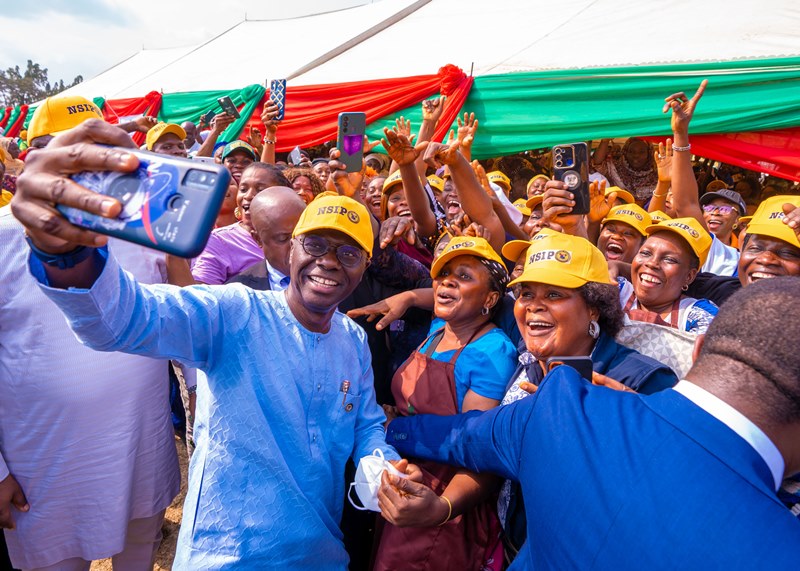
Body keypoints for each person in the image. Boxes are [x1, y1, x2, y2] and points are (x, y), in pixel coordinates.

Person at [11, 121, 415, 568]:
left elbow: (365, 425)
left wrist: (383, 468)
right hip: (227, 555)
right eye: (315, 244)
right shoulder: (235, 313)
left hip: (320, 551)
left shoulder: (352, 338)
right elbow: (122, 319)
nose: (328, 262)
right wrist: (66, 255)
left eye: (348, 254)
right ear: (289, 250)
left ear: (362, 270)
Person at [384, 277, 800, 569]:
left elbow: (459, 438)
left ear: (700, 348)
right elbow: (466, 434)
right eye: (525, 293)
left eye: (554, 294)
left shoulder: (568, 408)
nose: (533, 306)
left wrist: (392, 431)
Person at [0, 99, 179, 570]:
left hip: (139, 442)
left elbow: (181, 315)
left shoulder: (142, 226)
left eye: (90, 148)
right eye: (54, 147)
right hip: (41, 461)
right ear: (27, 159)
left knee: (139, 548)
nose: (72, 161)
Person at [372, 236, 517, 571]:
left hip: (443, 504)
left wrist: (442, 506)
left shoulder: (491, 352)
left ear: (491, 298)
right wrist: (408, 297)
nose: (447, 281)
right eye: (443, 273)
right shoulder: (440, 328)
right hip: (403, 482)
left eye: (465, 276)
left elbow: (479, 451)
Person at [663, 80, 739, 276]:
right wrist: (680, 133)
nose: (715, 213)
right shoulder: (707, 250)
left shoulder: (741, 259)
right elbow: (685, 204)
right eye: (710, 207)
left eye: (723, 208)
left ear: (738, 220)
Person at [191, 162, 291, 284]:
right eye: (243, 189)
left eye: (260, 189)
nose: (248, 196)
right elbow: (202, 296)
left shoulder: (298, 237)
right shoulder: (219, 241)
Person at [619, 217, 718, 334]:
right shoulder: (616, 291)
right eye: (645, 253)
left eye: (669, 259)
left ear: (689, 276)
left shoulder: (701, 315)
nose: (652, 263)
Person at [226, 186, 306, 290]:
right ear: (258, 239)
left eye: (302, 235)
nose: (295, 245)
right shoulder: (238, 293)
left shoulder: (329, 276)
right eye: (283, 239)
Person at [593, 137, 659, 204]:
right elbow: (598, 163)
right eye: (631, 151)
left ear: (649, 154)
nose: (636, 155)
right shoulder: (616, 168)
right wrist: (605, 141)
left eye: (642, 152)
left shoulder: (658, 174)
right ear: (625, 152)